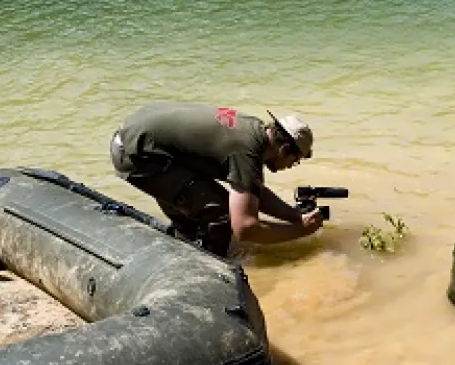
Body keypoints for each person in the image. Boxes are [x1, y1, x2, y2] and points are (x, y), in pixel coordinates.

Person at [109, 102, 325, 257]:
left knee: (200, 204)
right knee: (221, 213)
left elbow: (251, 189)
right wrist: (301, 231)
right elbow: (245, 228)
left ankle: (186, 244)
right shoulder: (247, 152)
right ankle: (213, 269)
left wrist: (294, 216)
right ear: (285, 149)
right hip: (135, 155)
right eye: (294, 161)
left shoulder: (253, 130)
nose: (290, 167)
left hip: (140, 139)